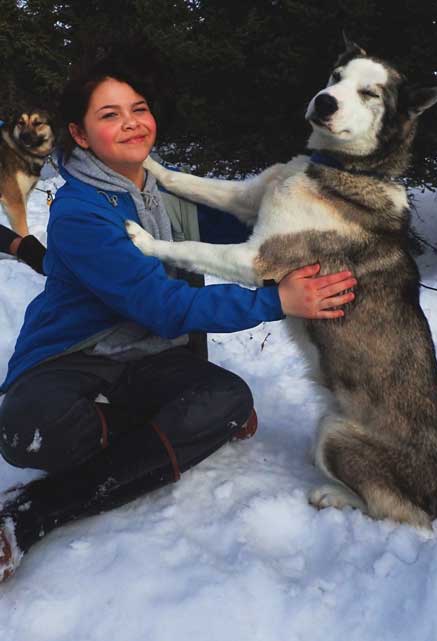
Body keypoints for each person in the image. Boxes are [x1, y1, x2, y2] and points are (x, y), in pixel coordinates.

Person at [0, 53, 356, 582]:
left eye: (138, 109)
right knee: (27, 429)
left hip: (153, 359)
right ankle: (35, 513)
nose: (131, 123)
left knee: (228, 399)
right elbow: (165, 309)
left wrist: (315, 200)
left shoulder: (166, 191)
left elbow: (247, 226)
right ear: (78, 132)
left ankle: (148, 434)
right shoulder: (81, 213)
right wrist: (276, 301)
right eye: (110, 114)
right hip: (78, 355)